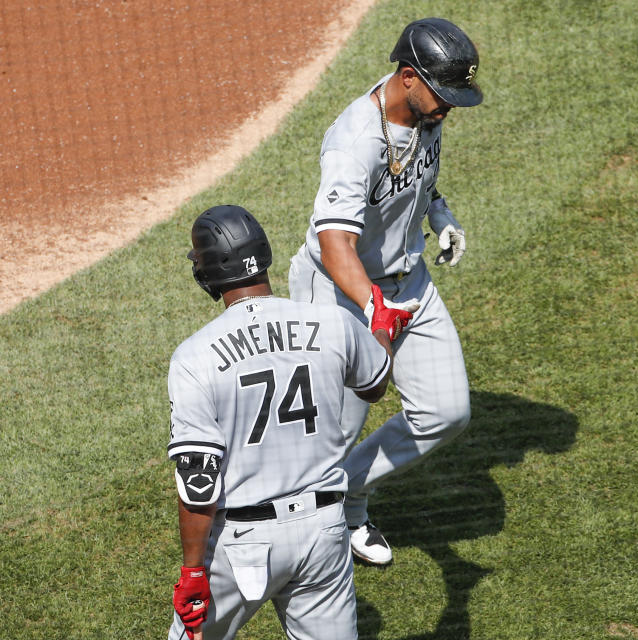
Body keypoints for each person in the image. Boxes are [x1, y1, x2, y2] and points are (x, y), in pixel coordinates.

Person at [287, 17, 483, 565]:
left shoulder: (425, 112)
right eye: (444, 96)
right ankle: (312, 535)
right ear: (408, 78)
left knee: (446, 412)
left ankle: (344, 492)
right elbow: (335, 245)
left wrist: (440, 215)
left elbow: (420, 175)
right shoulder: (354, 142)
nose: (449, 108)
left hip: (409, 282)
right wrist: (374, 307)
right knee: (333, 430)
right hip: (339, 294)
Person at [166, 204, 410, 639]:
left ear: (208, 272)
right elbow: (374, 385)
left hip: (242, 543)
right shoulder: (333, 322)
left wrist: (192, 572)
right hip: (323, 532)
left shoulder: (194, 357)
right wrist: (382, 331)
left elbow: (199, 486)